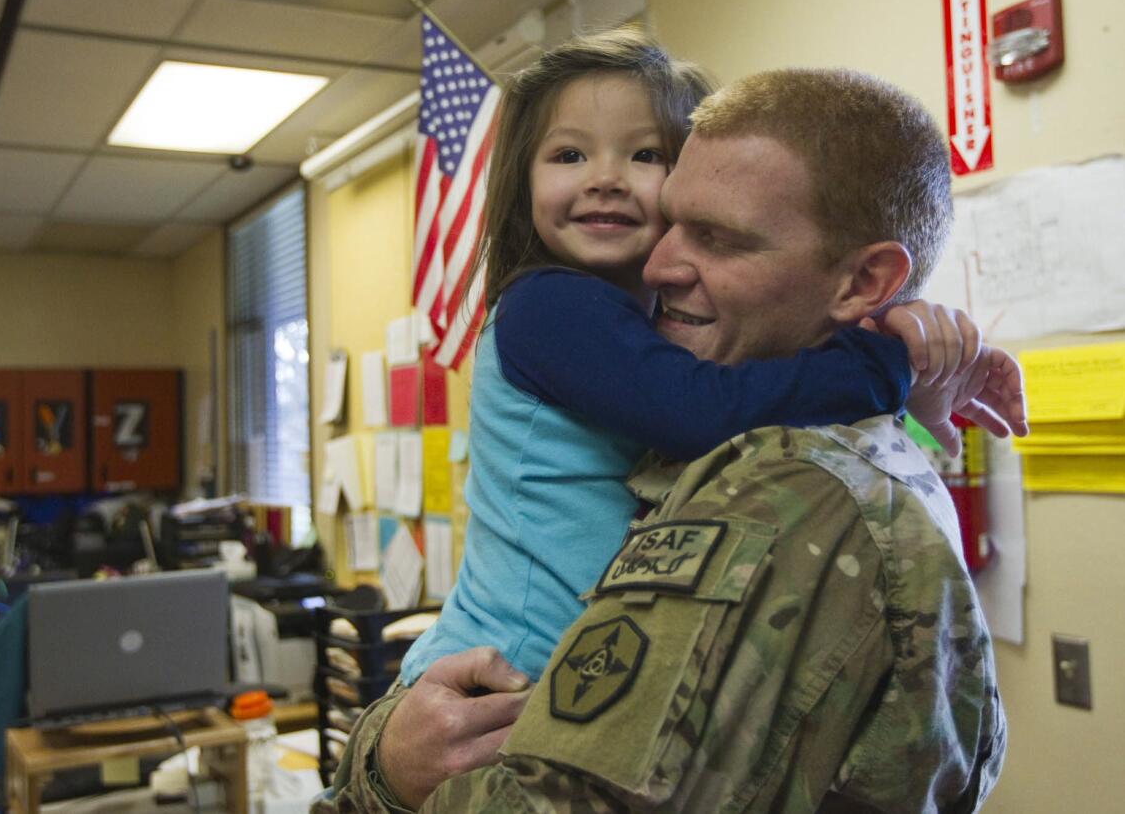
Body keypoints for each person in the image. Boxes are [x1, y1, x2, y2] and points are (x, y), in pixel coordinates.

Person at [321, 67, 1018, 812]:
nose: (656, 264)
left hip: (494, 702)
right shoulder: (556, 307)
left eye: (716, 237)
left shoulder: (785, 491)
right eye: (568, 156)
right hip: (481, 669)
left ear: (865, 280)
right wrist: (895, 351)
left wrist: (379, 766)